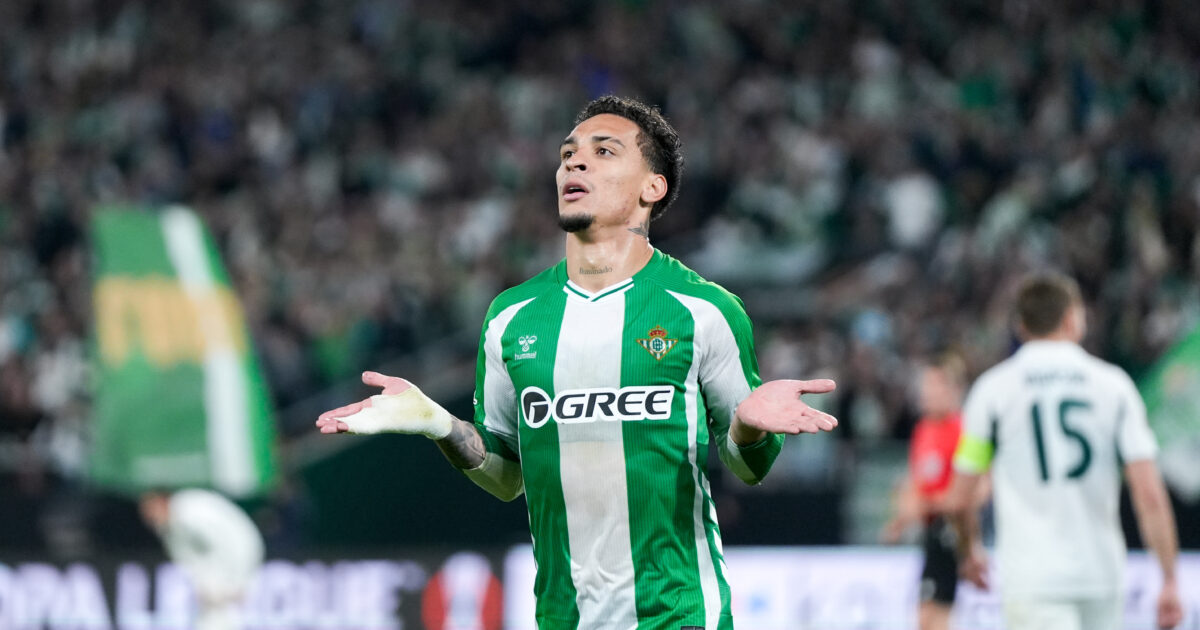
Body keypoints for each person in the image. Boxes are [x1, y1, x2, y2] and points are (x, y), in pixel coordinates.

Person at [315, 95, 839, 630]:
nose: (575, 162)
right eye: (568, 153)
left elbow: (749, 467)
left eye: (603, 151)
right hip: (561, 618)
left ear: (652, 187)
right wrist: (440, 425)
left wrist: (748, 427)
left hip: (679, 615)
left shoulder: (704, 310)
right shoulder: (510, 317)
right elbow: (507, 477)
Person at [944, 272, 1183, 630]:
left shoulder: (992, 392)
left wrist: (970, 550)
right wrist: (1169, 579)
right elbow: (1149, 493)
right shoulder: (1114, 386)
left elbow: (959, 499)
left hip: (1033, 578)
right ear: (1073, 318)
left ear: (1020, 326)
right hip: (1101, 576)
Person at [881, 353, 982, 630]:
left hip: (951, 530)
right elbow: (918, 482)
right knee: (927, 617)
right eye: (925, 386)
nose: (926, 393)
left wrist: (971, 548)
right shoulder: (923, 430)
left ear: (953, 390)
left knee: (932, 617)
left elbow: (974, 491)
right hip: (931, 532)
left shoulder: (962, 430)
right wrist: (900, 521)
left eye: (934, 385)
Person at [139, 488, 265, 630]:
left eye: (151, 509)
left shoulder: (191, 513)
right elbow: (188, 559)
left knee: (227, 616)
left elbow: (233, 540)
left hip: (239, 564)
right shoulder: (167, 526)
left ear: (163, 501)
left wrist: (239, 580)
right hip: (217, 577)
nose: (149, 516)